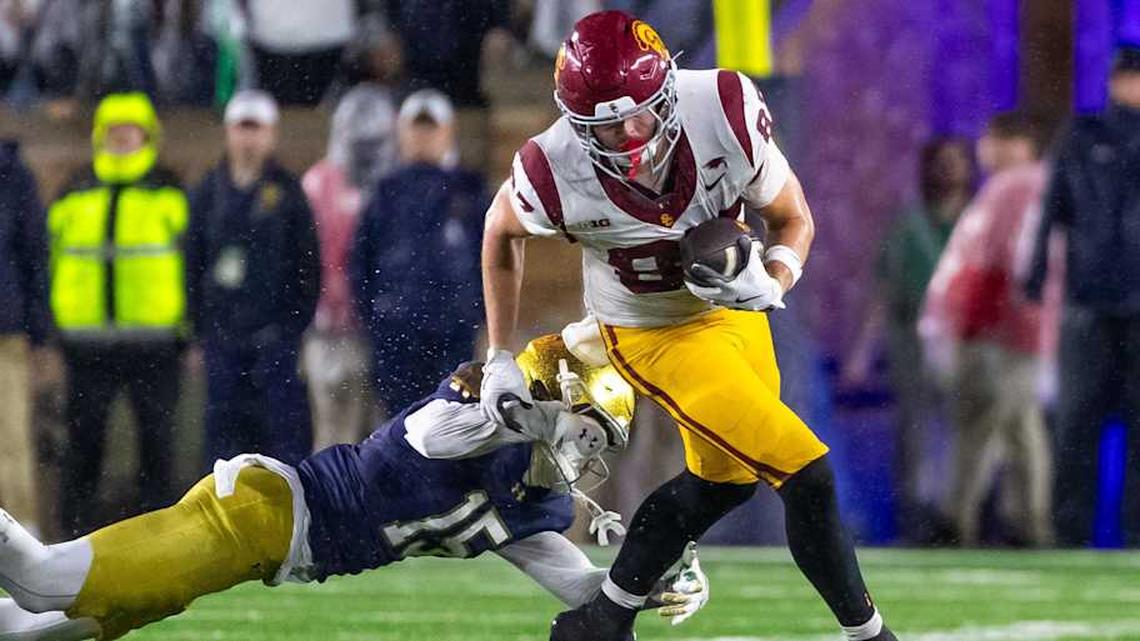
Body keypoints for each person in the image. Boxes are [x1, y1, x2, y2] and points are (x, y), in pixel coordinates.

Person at [479, 11, 897, 641]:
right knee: (805, 472)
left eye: (640, 114)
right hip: (651, 332)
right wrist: (497, 355)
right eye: (606, 126)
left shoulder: (723, 107)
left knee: (724, 483)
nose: (629, 136)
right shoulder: (552, 165)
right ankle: (871, 637)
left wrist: (773, 280)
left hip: (736, 314)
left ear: (667, 89)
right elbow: (500, 231)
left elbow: (793, 218)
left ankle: (601, 621)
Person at [0, 330, 709, 641]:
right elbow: (435, 435)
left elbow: (584, 590)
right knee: (39, 578)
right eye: (587, 433)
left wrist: (648, 580)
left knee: (47, 630)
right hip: (259, 514)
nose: (587, 456)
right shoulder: (468, 419)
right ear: (548, 403)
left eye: (600, 443)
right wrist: (519, 410)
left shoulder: (533, 507)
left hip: (272, 552)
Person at [47, 92, 189, 537]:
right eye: (114, 130)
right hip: (85, 345)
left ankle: (162, 542)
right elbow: (49, 259)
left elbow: (193, 262)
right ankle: (72, 540)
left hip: (156, 343)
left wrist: (190, 329)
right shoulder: (74, 192)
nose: (123, 137)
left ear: (148, 136)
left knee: (157, 447)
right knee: (83, 447)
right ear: (99, 136)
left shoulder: (169, 191)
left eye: (132, 129)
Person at [920, 112, 1056, 547]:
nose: (983, 149)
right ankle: (1021, 521)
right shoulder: (1028, 184)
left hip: (1003, 324)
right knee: (1016, 422)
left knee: (988, 419)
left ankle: (969, 519)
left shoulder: (1017, 185)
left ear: (1017, 143)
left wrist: (976, 320)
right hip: (1014, 323)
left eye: (991, 139)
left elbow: (1006, 261)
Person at [1025, 45, 1140, 547]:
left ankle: (1135, 532)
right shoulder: (1083, 135)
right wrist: (1034, 273)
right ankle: (1069, 531)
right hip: (1087, 301)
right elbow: (1052, 208)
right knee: (1076, 418)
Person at [846, 136, 974, 544]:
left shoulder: (977, 220)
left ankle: (959, 519)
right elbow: (884, 292)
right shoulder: (909, 226)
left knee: (967, 432)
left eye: (956, 161)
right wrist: (862, 353)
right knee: (915, 434)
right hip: (914, 342)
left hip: (968, 343)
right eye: (941, 162)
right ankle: (917, 521)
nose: (948, 171)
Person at [185, 90, 320, 468]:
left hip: (273, 342)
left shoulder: (289, 192)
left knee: (279, 444)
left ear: (271, 134)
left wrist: (291, 328)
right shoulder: (207, 192)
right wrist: (198, 331)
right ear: (228, 132)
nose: (248, 138)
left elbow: (308, 266)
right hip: (222, 340)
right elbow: (192, 263)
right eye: (242, 128)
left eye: (256, 128)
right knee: (222, 447)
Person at [351, 89, 488, 414]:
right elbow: (361, 260)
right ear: (401, 132)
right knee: (398, 423)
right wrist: (377, 315)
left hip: (453, 329)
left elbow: (491, 258)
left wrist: (475, 313)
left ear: (448, 131)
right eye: (417, 127)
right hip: (396, 330)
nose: (423, 136)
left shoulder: (470, 189)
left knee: (453, 418)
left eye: (431, 128)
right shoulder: (385, 191)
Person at [302, 85, 398, 448]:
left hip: (386, 326)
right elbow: (307, 258)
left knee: (385, 434)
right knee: (334, 434)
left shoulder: (397, 187)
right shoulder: (318, 184)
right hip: (330, 329)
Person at [0, 139, 50, 534]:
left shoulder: (13, 175)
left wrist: (39, 333)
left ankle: (22, 533)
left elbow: (34, 255)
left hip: (5, 332)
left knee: (11, 439)